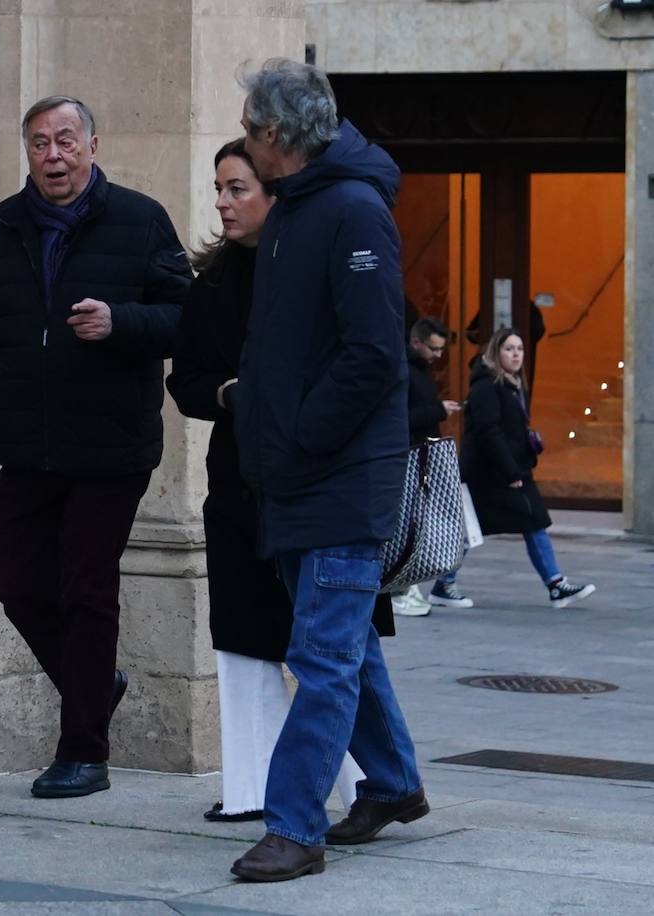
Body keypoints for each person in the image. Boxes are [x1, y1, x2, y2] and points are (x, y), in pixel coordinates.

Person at [228, 59, 428, 882]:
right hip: (297, 472)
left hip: (340, 476)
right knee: (341, 647)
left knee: (322, 656)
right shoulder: (301, 208)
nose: (243, 141)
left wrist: (303, 434)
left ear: (277, 138)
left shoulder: (350, 210)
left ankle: (294, 825)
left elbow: (374, 355)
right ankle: (394, 783)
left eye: (249, 128)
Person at [0, 95, 191, 799]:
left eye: (66, 140)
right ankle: (99, 685)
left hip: (110, 444)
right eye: (39, 143)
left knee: (88, 591)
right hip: (28, 444)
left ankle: (84, 751)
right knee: (18, 586)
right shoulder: (5, 222)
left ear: (93, 144)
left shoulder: (140, 217)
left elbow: (187, 318)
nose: (53, 156)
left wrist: (121, 321)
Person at [167, 138, 383, 824]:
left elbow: (367, 360)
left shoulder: (312, 262)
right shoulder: (212, 283)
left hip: (317, 477)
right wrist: (234, 396)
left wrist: (295, 415)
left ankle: (365, 787)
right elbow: (187, 380)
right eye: (219, 189)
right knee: (242, 632)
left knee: (331, 649)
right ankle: (252, 789)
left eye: (238, 188)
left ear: (274, 192)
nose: (224, 203)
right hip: (238, 479)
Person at [460, 328, 595, 608]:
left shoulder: (513, 384)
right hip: (492, 474)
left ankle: (555, 584)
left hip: (511, 469)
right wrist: (510, 472)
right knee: (472, 530)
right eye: (509, 349)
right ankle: (444, 583)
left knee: (530, 522)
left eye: (520, 349)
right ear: (496, 353)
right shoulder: (486, 386)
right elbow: (488, 433)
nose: (516, 354)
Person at [405, 317, 472, 611]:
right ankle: (409, 588)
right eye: (434, 349)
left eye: (442, 350)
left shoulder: (422, 370)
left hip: (426, 455)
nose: (438, 356)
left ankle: (424, 585)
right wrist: (439, 410)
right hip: (412, 457)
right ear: (417, 342)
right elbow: (402, 417)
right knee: (415, 526)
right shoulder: (404, 371)